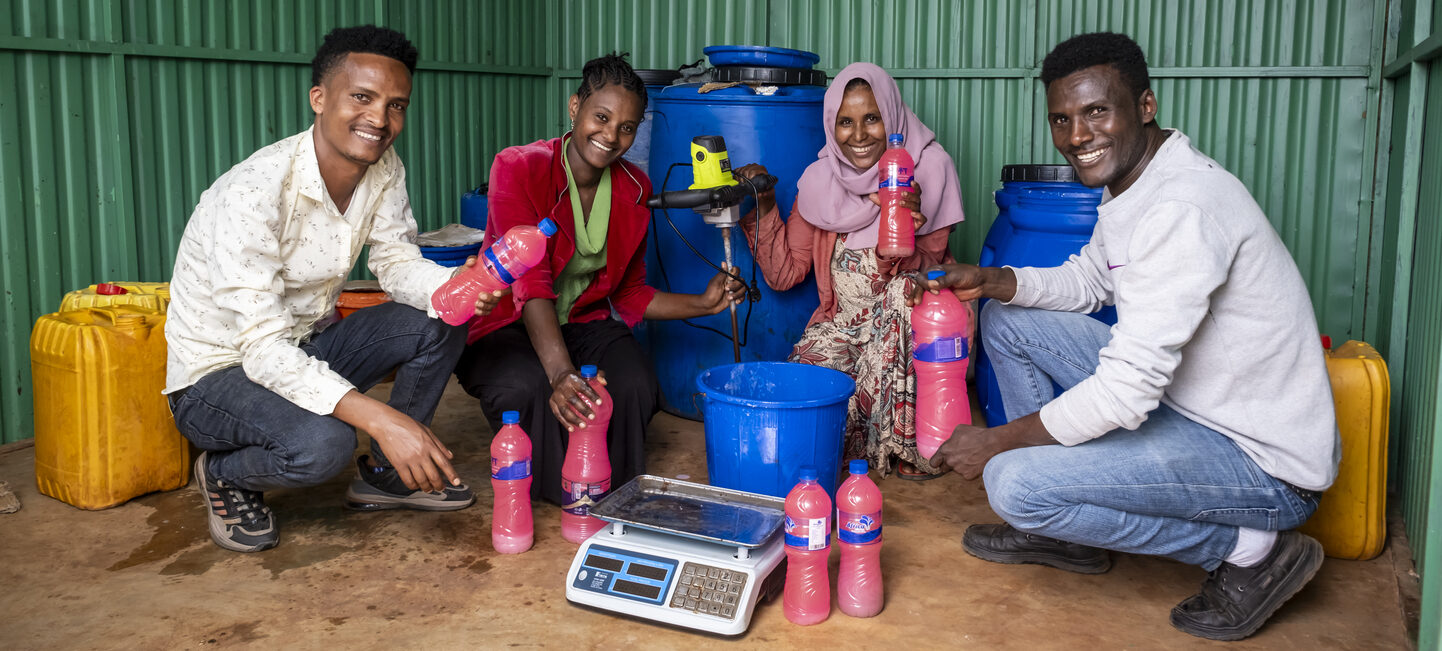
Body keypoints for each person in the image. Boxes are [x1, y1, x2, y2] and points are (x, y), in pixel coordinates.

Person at [915, 33, 1339, 641]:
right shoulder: (1137, 183)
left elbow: (1127, 389)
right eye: (1062, 120)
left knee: (1013, 483)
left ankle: (1252, 549)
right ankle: (1066, 531)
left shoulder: (1180, 208)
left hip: (1263, 466)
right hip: (1194, 408)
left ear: (1145, 106)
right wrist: (993, 279)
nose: (1077, 137)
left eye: (1096, 112)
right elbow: (1090, 280)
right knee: (1005, 318)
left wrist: (1000, 442)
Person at [165, 26, 505, 553]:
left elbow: (395, 265)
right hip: (216, 379)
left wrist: (454, 287)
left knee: (440, 318)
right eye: (362, 98)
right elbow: (261, 349)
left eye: (396, 105)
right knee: (323, 444)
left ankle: (391, 476)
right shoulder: (252, 192)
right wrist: (383, 418)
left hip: (301, 348)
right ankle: (228, 474)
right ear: (319, 99)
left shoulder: (383, 168)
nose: (379, 120)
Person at [455, 53, 743, 506]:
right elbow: (529, 282)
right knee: (527, 388)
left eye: (627, 127)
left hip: (581, 324)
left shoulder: (635, 188)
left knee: (634, 384)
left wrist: (703, 303)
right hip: (505, 324)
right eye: (601, 117)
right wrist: (561, 373)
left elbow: (630, 294)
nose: (611, 136)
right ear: (575, 108)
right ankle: (568, 496)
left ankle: (616, 493)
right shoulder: (519, 166)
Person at [733, 62, 966, 479]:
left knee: (902, 293)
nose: (858, 136)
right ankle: (854, 440)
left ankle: (902, 442)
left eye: (871, 119)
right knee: (804, 390)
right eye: (845, 122)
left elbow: (930, 278)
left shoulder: (928, 169)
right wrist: (764, 203)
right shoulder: (820, 181)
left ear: (892, 117)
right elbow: (785, 274)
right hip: (845, 328)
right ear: (831, 125)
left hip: (908, 331)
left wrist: (906, 229)